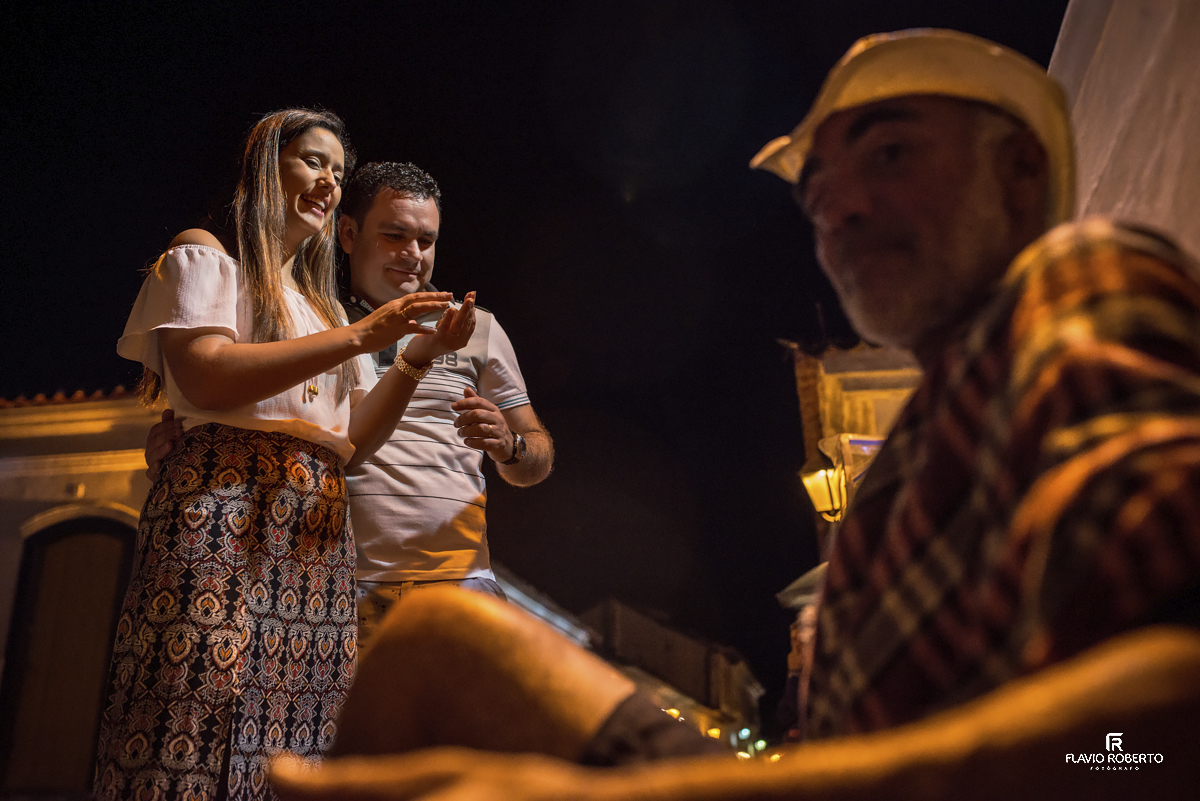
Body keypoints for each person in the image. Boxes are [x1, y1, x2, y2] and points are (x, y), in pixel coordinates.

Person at [268, 30, 1200, 800]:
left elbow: (1150, 741)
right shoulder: (935, 426)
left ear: (1022, 173)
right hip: (343, 583)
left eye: (890, 152)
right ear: (350, 234)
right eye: (817, 188)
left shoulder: (1080, 285)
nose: (837, 207)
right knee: (441, 650)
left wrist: (614, 792)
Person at [94, 108, 476, 800]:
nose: (329, 179)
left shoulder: (321, 308)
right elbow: (208, 372)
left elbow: (349, 442)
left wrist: (414, 356)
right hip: (221, 517)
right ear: (266, 167)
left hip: (313, 542)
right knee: (196, 709)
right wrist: (362, 338)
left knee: (297, 736)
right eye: (311, 160)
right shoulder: (207, 254)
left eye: (336, 168)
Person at [146, 161, 555, 646]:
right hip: (328, 588)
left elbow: (537, 456)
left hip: (459, 584)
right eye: (395, 235)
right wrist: (185, 443)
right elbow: (242, 404)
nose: (413, 254)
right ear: (347, 233)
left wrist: (511, 447)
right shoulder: (309, 320)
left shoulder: (472, 327)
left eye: (426, 240)